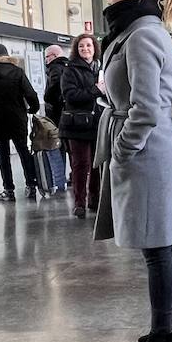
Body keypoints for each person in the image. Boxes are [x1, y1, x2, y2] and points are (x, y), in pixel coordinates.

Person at [94, 0, 172, 342]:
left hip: (147, 152)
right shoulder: (138, 32)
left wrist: (122, 149)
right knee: (166, 243)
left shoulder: (142, 35)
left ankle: (163, 339)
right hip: (152, 150)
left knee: (156, 249)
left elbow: (148, 107)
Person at [0, 43, 41, 202]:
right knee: (23, 150)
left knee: (3, 154)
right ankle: (31, 186)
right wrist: (33, 108)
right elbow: (30, 94)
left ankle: (8, 190)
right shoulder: (17, 72)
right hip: (17, 116)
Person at [60, 33, 104, 219]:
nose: (85, 49)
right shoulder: (70, 70)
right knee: (80, 165)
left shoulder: (101, 68)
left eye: (88, 45)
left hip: (98, 123)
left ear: (94, 48)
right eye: (81, 46)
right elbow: (70, 96)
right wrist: (96, 90)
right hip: (76, 125)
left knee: (96, 164)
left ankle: (95, 199)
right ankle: (79, 203)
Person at [41, 44, 70, 192]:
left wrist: (47, 97)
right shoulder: (69, 65)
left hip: (56, 115)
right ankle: (69, 178)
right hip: (68, 114)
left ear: (53, 55)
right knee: (66, 148)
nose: (46, 60)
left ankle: (59, 182)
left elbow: (54, 86)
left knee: (54, 147)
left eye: (47, 56)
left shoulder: (55, 67)